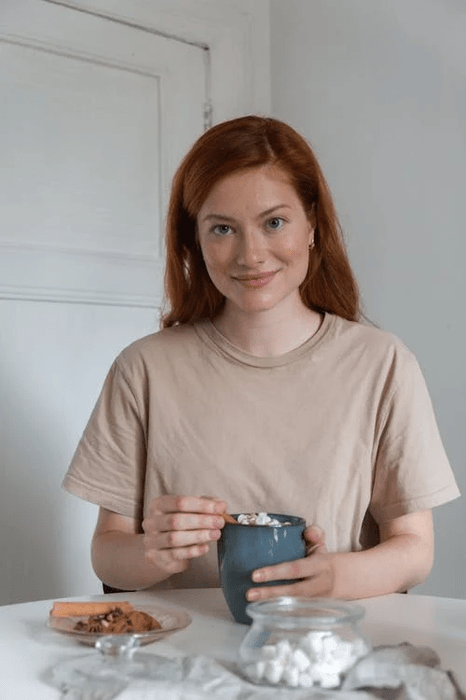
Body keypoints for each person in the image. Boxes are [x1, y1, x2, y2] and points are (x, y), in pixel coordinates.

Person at [63, 115, 460, 603]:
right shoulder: (142, 369)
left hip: (328, 650)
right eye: (223, 229)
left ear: (312, 225)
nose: (251, 255)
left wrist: (334, 577)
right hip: (182, 656)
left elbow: (415, 550)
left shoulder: (384, 365)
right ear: (195, 241)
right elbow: (107, 552)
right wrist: (153, 552)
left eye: (274, 222)